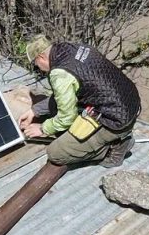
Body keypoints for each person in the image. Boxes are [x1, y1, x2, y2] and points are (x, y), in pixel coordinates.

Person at [19, 35, 141, 167]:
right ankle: (117, 137)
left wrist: (43, 129)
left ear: (41, 57)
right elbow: (66, 93)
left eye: (36, 64)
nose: (38, 68)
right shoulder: (75, 48)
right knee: (58, 110)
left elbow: (67, 118)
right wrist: (35, 110)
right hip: (130, 103)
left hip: (115, 121)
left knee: (55, 153)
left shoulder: (60, 74)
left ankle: (115, 145)